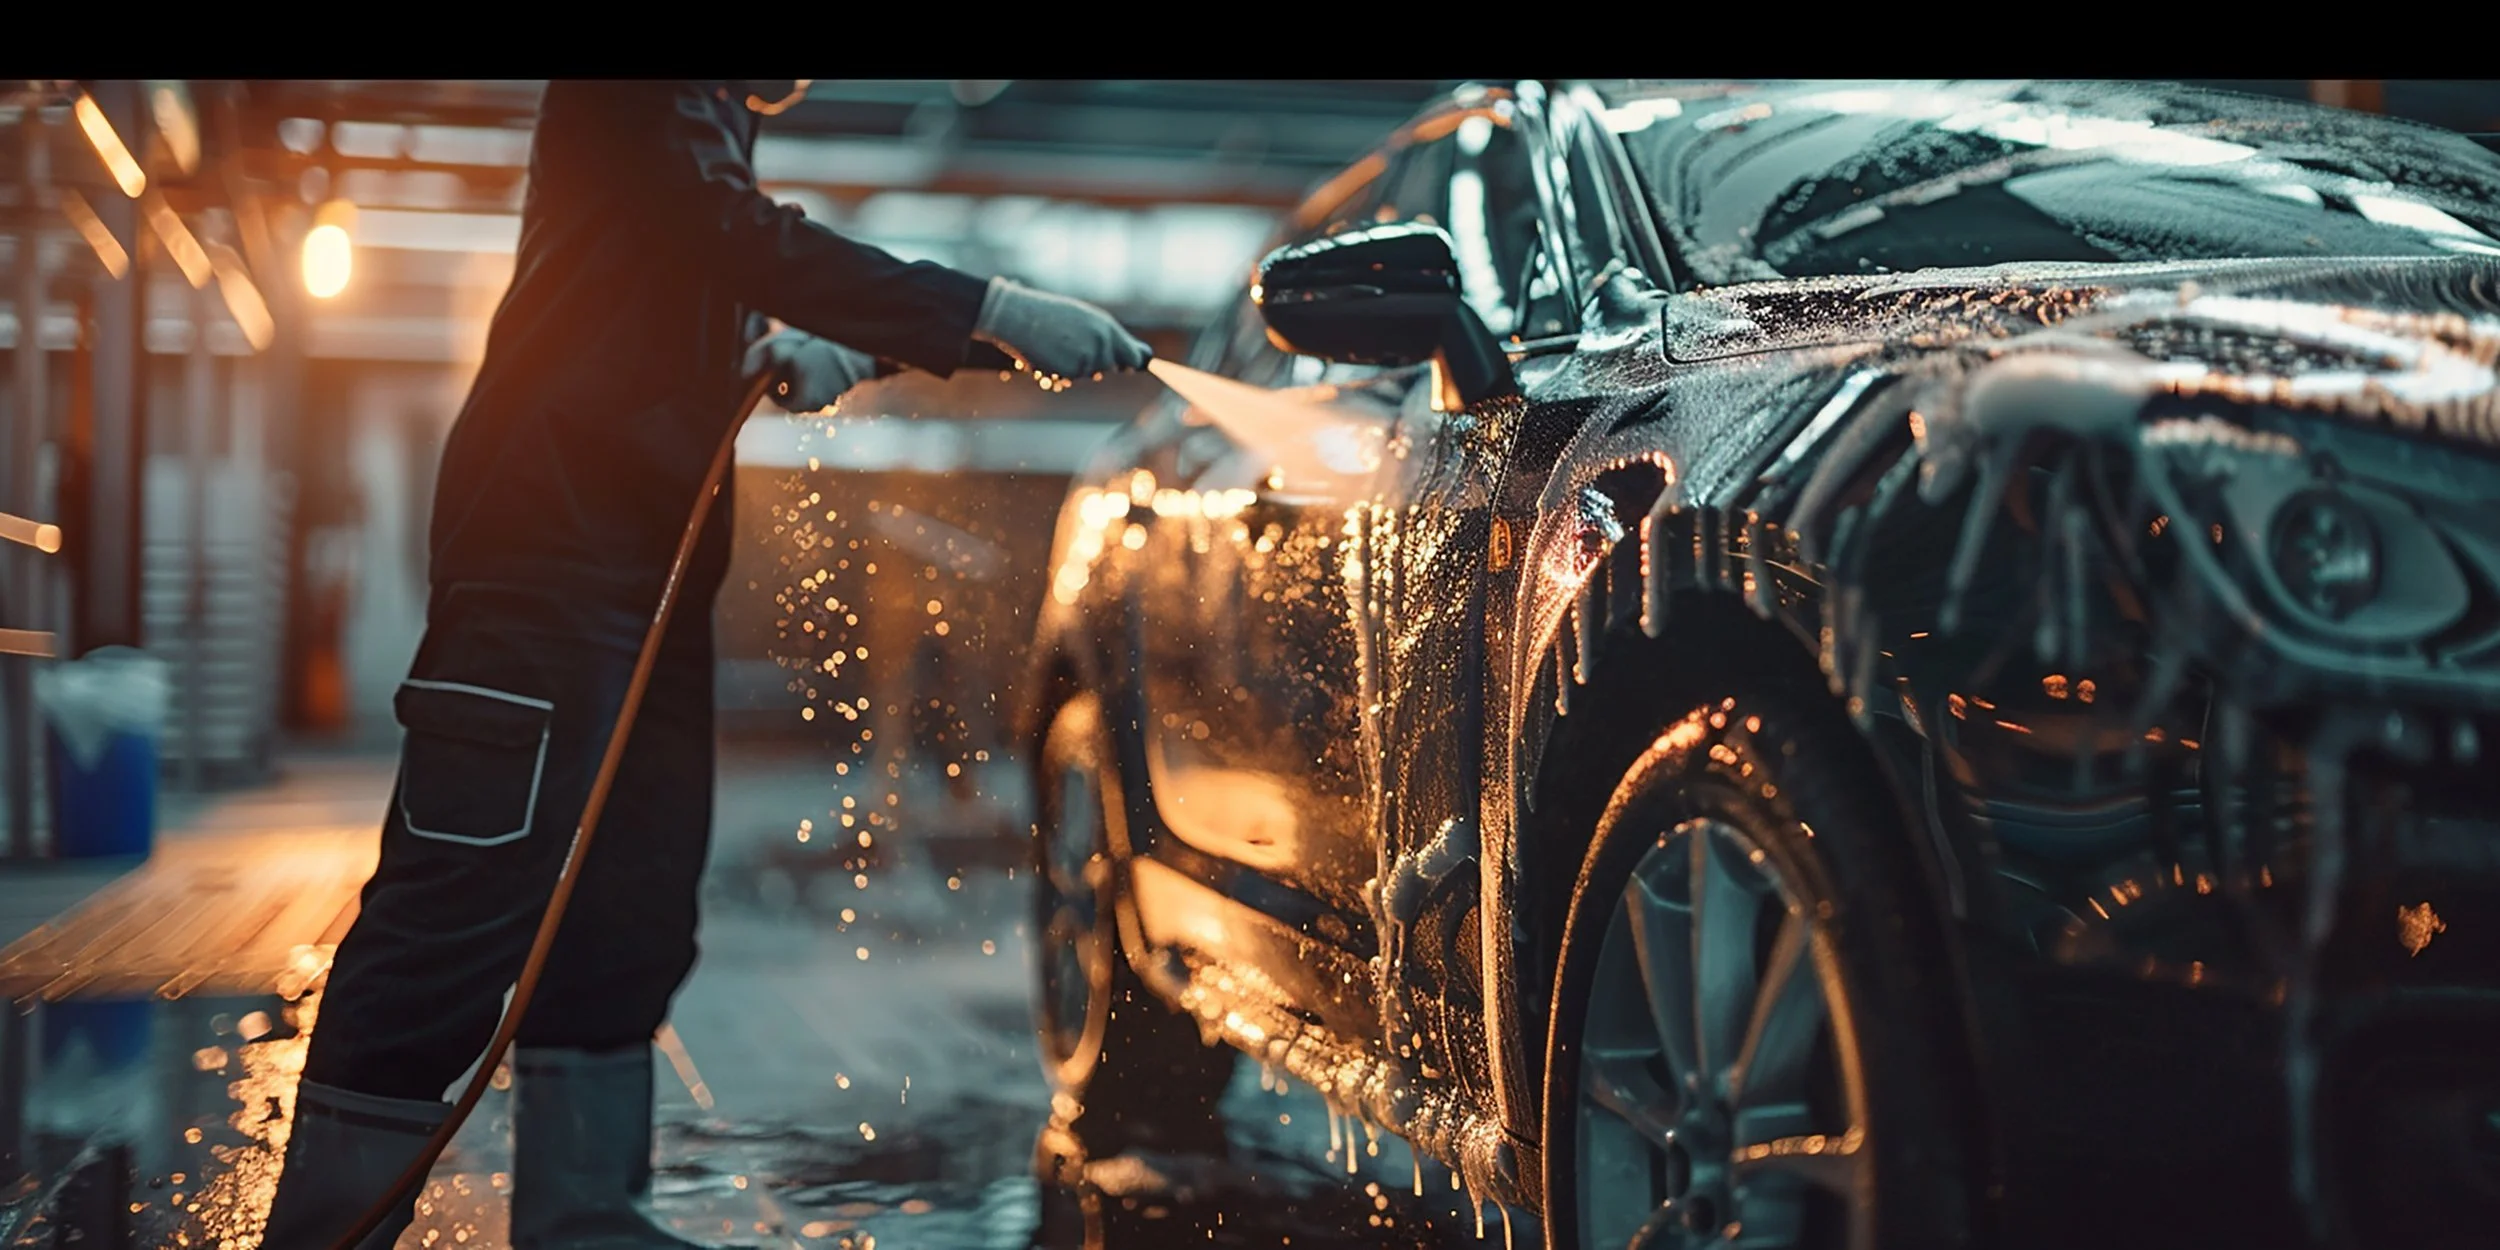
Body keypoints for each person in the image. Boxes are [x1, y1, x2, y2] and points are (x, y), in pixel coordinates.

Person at [259, 80, 1152, 1249]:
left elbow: (657, 276)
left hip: (649, 570)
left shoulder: (716, 112)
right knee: (464, 898)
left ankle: (581, 1208)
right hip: (544, 560)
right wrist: (979, 309)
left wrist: (774, 344)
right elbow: (723, 231)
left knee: (629, 895)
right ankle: (330, 1225)